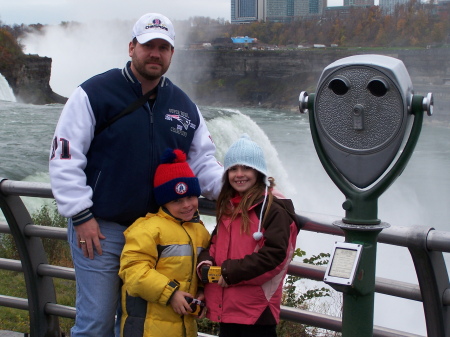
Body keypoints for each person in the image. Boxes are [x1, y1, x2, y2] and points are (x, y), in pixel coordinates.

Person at [48, 13, 223, 337]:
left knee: (136, 326)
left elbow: (203, 165)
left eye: (163, 47)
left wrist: (247, 188)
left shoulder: (184, 106)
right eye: (148, 45)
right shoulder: (93, 94)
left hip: (159, 236)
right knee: (96, 323)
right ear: (131, 47)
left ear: (171, 54)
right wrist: (81, 215)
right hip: (101, 230)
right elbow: (65, 157)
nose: (155, 53)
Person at [197, 134, 301, 337]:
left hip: (257, 311)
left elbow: (274, 256)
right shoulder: (230, 206)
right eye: (233, 169)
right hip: (227, 309)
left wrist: (229, 272)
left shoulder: (272, 210)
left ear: (258, 171)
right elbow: (215, 244)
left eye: (246, 168)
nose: (239, 174)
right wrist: (205, 265)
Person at [119, 148, 210, 337]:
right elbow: (133, 272)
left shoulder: (200, 232)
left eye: (191, 197)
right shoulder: (147, 229)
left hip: (185, 328)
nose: (186, 205)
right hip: (146, 329)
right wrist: (171, 293)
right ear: (164, 202)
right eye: (177, 200)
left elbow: (200, 271)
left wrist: (203, 292)